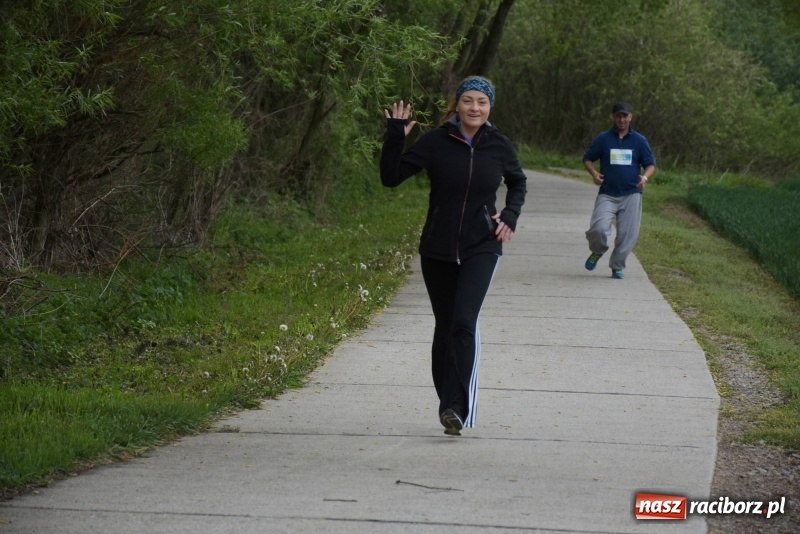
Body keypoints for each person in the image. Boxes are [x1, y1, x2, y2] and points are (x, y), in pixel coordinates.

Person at [380, 76, 527, 436]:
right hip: (438, 248)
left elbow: (518, 181)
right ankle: (447, 403)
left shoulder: (499, 145)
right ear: (457, 105)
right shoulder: (435, 141)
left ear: (490, 107)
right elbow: (390, 177)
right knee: (445, 327)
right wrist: (396, 135)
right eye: (468, 101)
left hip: (483, 245)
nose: (475, 108)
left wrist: (509, 216)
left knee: (464, 321)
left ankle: (456, 407)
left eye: (482, 102)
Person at [582, 102, 656, 279]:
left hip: (631, 193)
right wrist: (593, 173)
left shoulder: (639, 140)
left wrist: (645, 177)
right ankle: (597, 251)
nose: (621, 119)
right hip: (608, 193)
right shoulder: (603, 139)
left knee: (627, 234)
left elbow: (650, 164)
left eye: (625, 116)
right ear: (613, 117)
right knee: (598, 228)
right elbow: (587, 158)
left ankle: (617, 266)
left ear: (631, 117)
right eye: (618, 116)